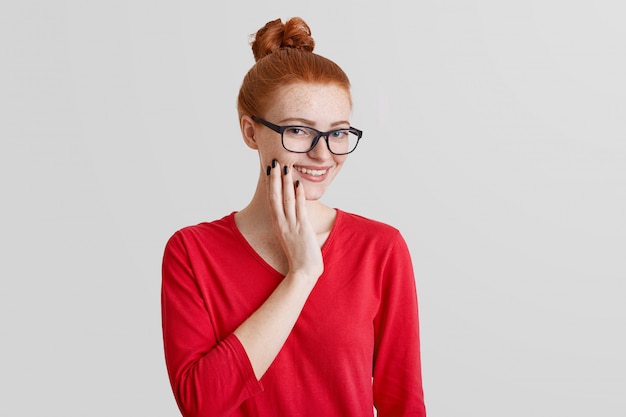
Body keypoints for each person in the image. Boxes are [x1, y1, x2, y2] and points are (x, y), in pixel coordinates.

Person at [161, 17, 426, 417]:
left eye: (338, 133)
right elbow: (202, 404)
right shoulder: (192, 252)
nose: (323, 155)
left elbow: (403, 406)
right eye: (299, 131)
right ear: (251, 133)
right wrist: (301, 275)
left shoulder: (381, 249)